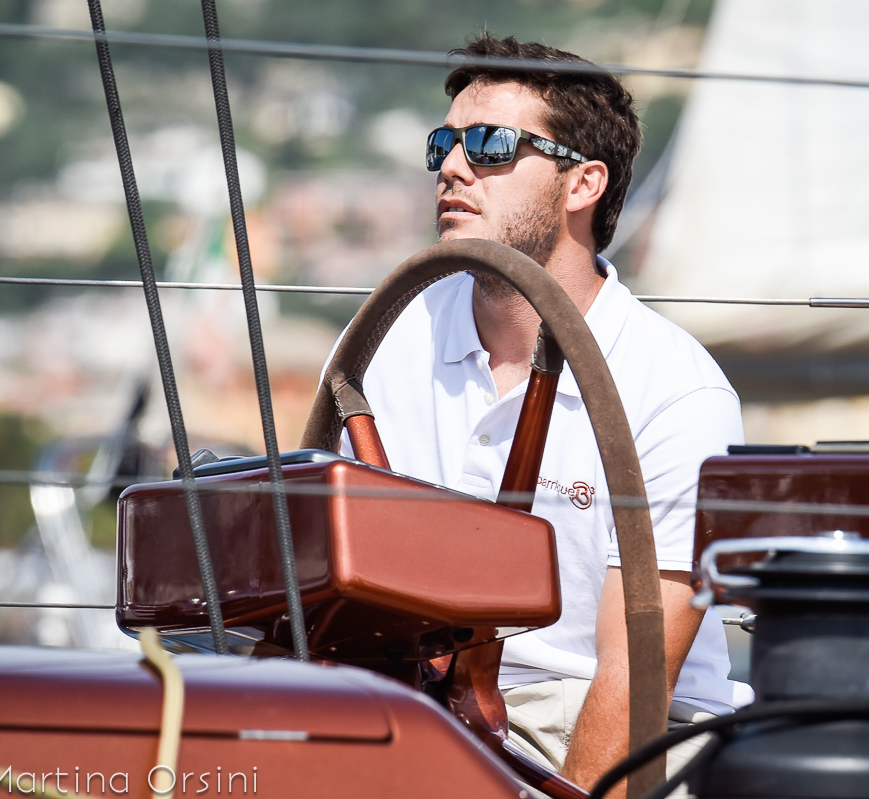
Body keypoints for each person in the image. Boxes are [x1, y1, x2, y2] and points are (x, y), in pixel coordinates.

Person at [329, 34, 753, 796]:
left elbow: (635, 679)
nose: (453, 168)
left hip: (612, 718)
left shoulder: (676, 391)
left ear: (583, 182)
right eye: (443, 145)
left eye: (491, 146)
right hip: (419, 713)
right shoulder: (389, 341)